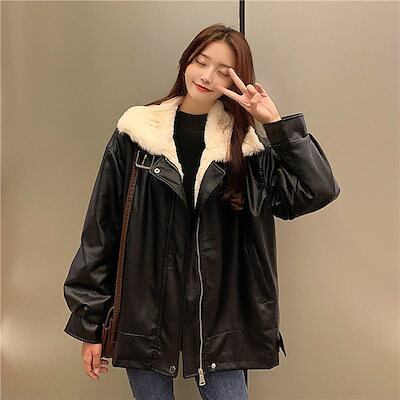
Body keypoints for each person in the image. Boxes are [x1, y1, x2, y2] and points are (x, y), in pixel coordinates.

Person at [63, 23, 341, 399]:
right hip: (144, 318)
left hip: (222, 322)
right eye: (201, 61)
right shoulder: (136, 134)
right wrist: (90, 324)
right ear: (186, 61)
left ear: (237, 80)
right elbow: (101, 231)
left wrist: (274, 125)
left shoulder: (246, 149)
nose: (207, 76)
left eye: (224, 71)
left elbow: (317, 190)